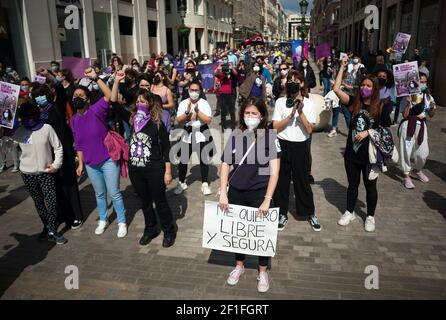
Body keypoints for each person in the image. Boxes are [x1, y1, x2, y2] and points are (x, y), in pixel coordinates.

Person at [219, 97, 280, 293]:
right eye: (247, 113)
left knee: (260, 235)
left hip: (259, 194)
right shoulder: (236, 135)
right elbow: (225, 164)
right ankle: (239, 266)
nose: (250, 117)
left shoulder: (270, 137)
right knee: (239, 233)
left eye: (254, 113)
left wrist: (267, 200)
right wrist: (223, 193)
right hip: (236, 191)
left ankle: (262, 271)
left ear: (262, 115)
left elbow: (274, 172)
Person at [111, 73, 178, 247]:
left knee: (160, 201)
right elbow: (113, 103)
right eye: (138, 101)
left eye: (144, 101)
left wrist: (168, 172)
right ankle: (151, 229)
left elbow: (166, 149)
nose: (141, 104)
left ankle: (169, 230)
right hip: (136, 169)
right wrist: (117, 81)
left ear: (150, 104)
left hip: (155, 169)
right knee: (145, 202)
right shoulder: (132, 120)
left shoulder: (157, 123)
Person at [333, 56, 392, 232]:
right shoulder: (354, 103)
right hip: (352, 154)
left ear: (374, 89)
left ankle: (370, 216)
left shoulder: (380, 107)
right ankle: (349, 211)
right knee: (352, 185)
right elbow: (336, 89)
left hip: (370, 157)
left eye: (369, 86)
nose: (365, 88)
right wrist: (342, 68)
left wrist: (368, 132)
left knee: (370, 186)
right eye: (363, 85)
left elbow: (386, 133)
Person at [71, 68, 127, 238]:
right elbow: (79, 143)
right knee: (99, 194)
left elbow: (111, 96)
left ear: (87, 99)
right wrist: (80, 163)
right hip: (90, 163)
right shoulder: (74, 119)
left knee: (114, 192)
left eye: (81, 96)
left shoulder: (96, 110)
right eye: (75, 96)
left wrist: (96, 78)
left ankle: (122, 221)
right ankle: (103, 219)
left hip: (108, 159)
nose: (77, 98)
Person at [33, 68, 84, 230]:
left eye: (41, 95)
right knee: (55, 186)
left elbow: (60, 89)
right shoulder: (36, 113)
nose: (39, 99)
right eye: (36, 96)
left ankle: (75, 216)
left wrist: (48, 74)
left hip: (64, 151)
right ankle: (62, 215)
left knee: (69, 184)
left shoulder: (56, 106)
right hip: (47, 153)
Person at [272, 70, 321, 232]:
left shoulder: (310, 103)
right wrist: (290, 115)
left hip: (300, 146)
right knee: (282, 182)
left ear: (302, 84)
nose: (293, 83)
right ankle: (281, 213)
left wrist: (300, 112)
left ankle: (309, 212)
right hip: (283, 144)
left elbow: (309, 130)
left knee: (302, 181)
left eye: (297, 80)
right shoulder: (280, 102)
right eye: (290, 80)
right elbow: (275, 127)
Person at [12, 102, 67, 244]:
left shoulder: (46, 128)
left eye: (30, 115)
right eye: (25, 116)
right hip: (28, 174)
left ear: (36, 114)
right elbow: (10, 147)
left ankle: (53, 230)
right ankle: (47, 226)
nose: (28, 119)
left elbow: (58, 147)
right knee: (38, 202)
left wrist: (56, 165)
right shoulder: (19, 131)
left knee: (51, 201)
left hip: (46, 172)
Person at [174, 80, 213, 196]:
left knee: (203, 159)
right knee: (183, 159)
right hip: (188, 132)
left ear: (200, 91)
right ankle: (181, 182)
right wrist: (187, 112)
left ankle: (205, 183)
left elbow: (208, 120)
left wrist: (197, 111)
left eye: (196, 90)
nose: (194, 92)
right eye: (192, 90)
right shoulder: (184, 103)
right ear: (188, 90)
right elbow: (179, 120)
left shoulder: (204, 103)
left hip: (202, 132)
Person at [399, 73, 436, 189]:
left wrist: (432, 107)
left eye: (424, 81)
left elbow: (431, 115)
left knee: (423, 153)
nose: (422, 83)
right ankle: (406, 175)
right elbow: (404, 115)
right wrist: (408, 103)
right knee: (406, 150)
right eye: (420, 81)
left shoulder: (428, 97)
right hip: (409, 124)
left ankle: (418, 169)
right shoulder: (408, 95)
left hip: (422, 125)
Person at [215, 55, 238, 132]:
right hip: (222, 93)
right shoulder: (221, 70)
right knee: (223, 110)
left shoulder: (230, 67)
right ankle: (223, 125)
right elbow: (215, 74)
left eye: (226, 59)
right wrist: (219, 68)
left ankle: (233, 125)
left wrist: (232, 68)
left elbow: (236, 74)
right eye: (223, 59)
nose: (224, 60)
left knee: (232, 110)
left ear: (228, 60)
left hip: (231, 93)